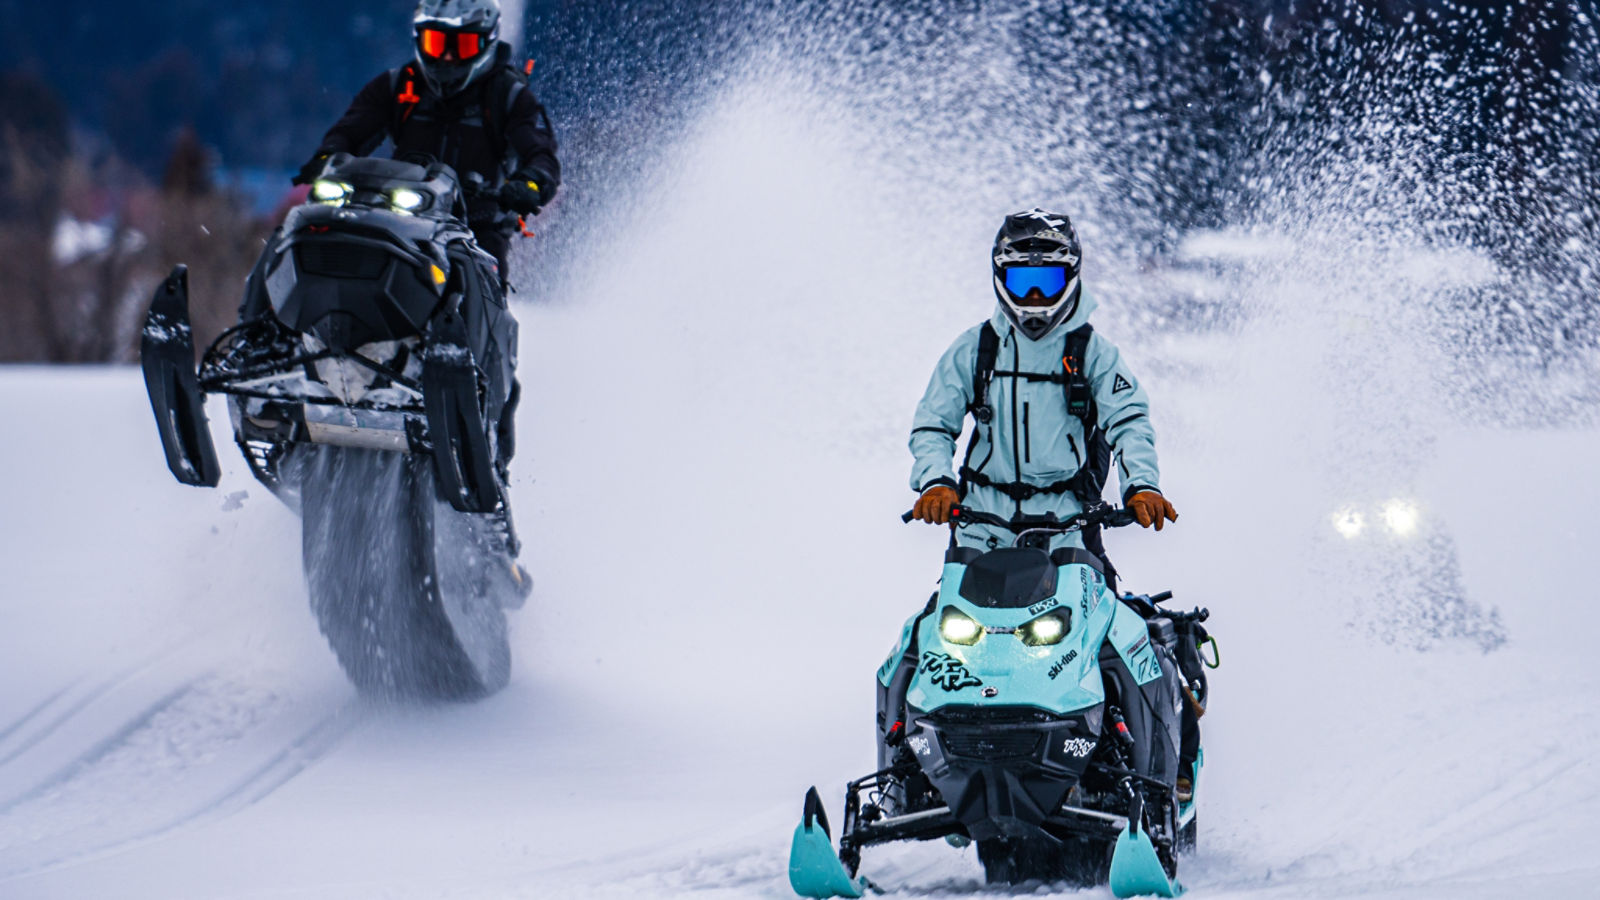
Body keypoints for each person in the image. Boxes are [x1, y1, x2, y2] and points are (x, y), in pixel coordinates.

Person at [908, 208, 1179, 578]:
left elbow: (1129, 421)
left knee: (1102, 627)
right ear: (1001, 279)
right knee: (931, 633)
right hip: (980, 528)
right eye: (1022, 282)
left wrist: (1142, 485)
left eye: (1048, 282)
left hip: (1067, 528)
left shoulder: (1094, 352)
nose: (1035, 296)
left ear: (1070, 278)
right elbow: (933, 424)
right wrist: (936, 481)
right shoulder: (974, 349)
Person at [292, 0, 560, 291]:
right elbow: (351, 130)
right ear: (419, 40)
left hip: (475, 228)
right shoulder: (398, 86)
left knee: (481, 287)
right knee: (306, 228)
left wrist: (530, 183)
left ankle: (460, 337)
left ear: (487, 43)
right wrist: (327, 157)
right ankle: (268, 325)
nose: (446, 58)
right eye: (436, 44)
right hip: (395, 214)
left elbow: (541, 154)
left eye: (462, 46)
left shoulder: (508, 97)